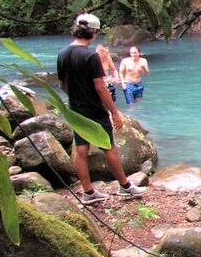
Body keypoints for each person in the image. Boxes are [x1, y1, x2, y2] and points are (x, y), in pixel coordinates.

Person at [57, 14, 146, 203]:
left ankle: (88, 192)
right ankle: (125, 187)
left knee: (81, 150)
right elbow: (100, 87)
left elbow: (62, 84)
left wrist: (75, 97)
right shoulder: (91, 56)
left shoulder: (62, 54)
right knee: (109, 147)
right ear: (93, 32)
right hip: (94, 108)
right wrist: (114, 112)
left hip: (75, 108)